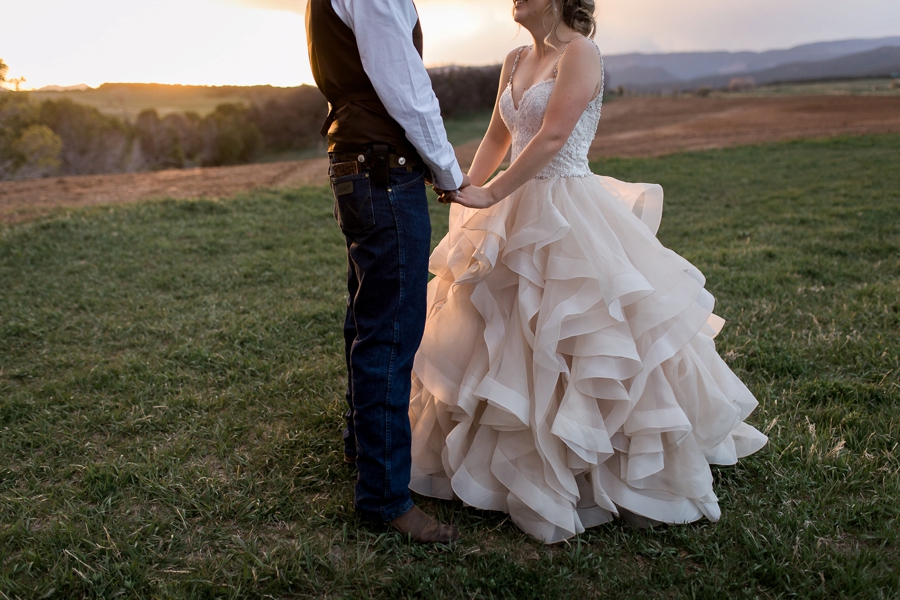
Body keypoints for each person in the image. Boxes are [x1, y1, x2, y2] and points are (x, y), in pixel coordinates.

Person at [408, 0, 768, 543]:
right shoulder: (513, 58)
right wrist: (463, 188)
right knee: (499, 331)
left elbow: (552, 138)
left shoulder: (581, 53)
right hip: (510, 212)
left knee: (575, 333)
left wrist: (493, 190)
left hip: (567, 209)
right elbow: (498, 139)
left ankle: (587, 462)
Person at [305, 0, 468, 543]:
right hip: (383, 170)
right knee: (391, 335)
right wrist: (447, 168)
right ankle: (384, 497)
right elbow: (406, 86)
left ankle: (362, 448)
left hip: (355, 165)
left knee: (367, 319)